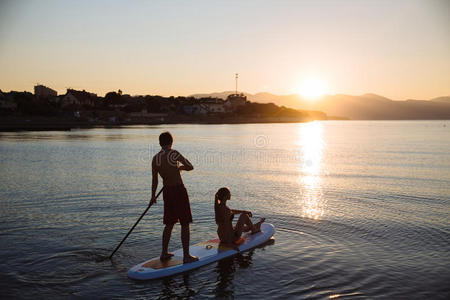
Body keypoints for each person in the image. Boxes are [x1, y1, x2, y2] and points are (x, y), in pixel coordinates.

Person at [150, 131, 199, 263]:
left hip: (167, 192)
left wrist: (153, 196)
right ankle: (187, 256)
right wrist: (180, 168)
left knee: (169, 223)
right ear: (171, 142)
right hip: (178, 190)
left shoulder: (155, 159)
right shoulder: (174, 153)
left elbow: (155, 180)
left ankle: (164, 253)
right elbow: (190, 166)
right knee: (184, 223)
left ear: (160, 143)